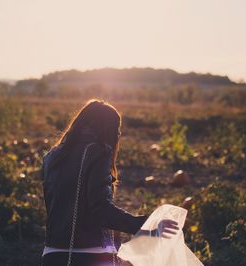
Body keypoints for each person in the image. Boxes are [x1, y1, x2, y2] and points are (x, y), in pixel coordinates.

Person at [41, 99, 179, 266]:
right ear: (110, 130)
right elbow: (101, 210)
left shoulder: (52, 156)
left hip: (52, 254)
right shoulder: (98, 152)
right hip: (88, 255)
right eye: (117, 131)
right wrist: (147, 226)